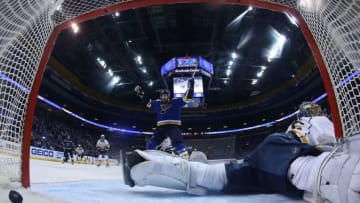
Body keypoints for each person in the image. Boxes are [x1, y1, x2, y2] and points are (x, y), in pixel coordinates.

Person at [124, 102, 360, 203]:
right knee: (340, 174)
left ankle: (149, 166)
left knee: (222, 176)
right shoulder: (315, 120)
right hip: (285, 151)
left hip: (273, 164)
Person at [134, 77, 194, 159]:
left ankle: (185, 157)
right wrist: (141, 94)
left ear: (168, 96)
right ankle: (148, 157)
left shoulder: (175, 102)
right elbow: (147, 102)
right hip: (161, 127)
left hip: (173, 126)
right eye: (162, 96)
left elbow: (188, 98)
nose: (163, 97)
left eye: (165, 96)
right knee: (152, 143)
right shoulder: (157, 103)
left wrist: (191, 87)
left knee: (177, 142)